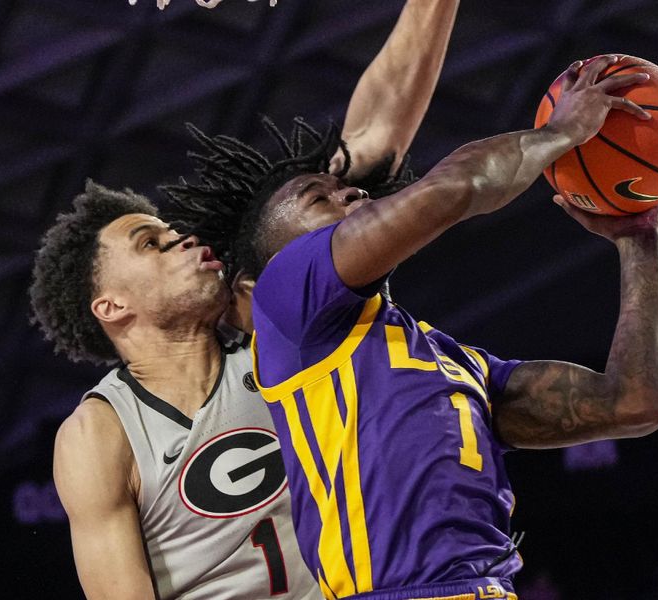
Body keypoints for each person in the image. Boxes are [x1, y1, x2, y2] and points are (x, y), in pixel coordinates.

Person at [166, 54, 658, 600]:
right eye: (317, 197)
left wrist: (638, 244)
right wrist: (560, 132)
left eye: (351, 190)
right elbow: (453, 190)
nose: (352, 193)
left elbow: (634, 402)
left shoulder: (461, 365)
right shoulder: (286, 298)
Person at [30, 2, 460, 598]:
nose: (180, 236)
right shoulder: (102, 432)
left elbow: (369, 143)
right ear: (112, 306)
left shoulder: (275, 324)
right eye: (151, 243)